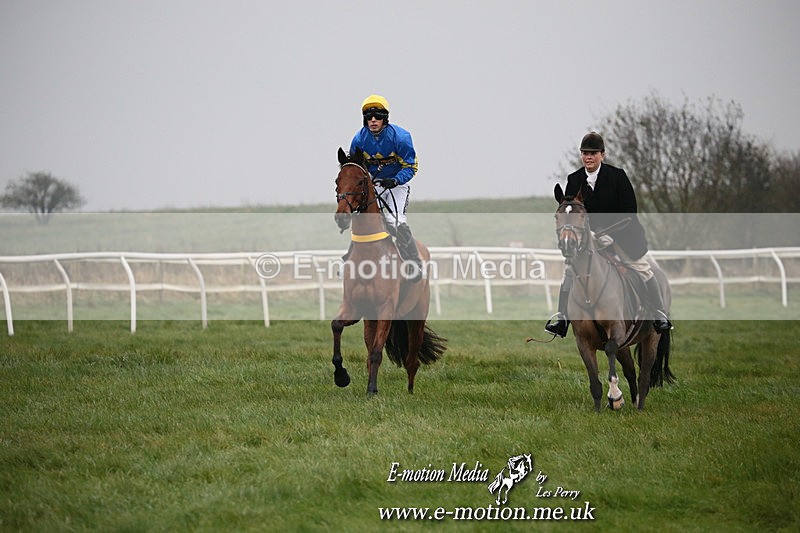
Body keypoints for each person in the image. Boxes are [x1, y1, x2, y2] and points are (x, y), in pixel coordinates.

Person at [545, 131, 673, 337]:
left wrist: (611, 236)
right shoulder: (574, 179)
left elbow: (629, 211)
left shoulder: (618, 177)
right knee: (569, 272)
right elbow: (571, 212)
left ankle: (658, 314)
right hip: (589, 241)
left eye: (593, 153)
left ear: (602, 155)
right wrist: (585, 236)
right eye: (585, 153)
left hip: (623, 237)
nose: (589, 157)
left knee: (643, 268)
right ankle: (561, 319)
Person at [349, 94, 423, 281]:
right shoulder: (358, 140)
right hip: (374, 184)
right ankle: (349, 260)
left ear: (385, 119)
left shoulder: (402, 137)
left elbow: (411, 167)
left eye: (378, 116)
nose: (373, 121)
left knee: (394, 220)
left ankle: (413, 262)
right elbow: (355, 168)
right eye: (369, 117)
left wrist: (396, 180)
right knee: (361, 218)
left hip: (398, 185)